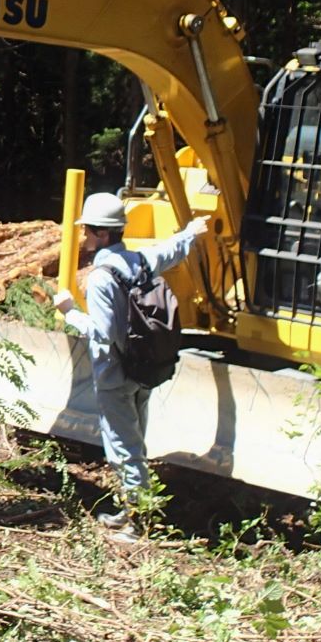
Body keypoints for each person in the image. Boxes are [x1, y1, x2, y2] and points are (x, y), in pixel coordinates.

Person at [53, 192, 209, 539]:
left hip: (114, 375)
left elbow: (104, 332)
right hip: (145, 369)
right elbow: (169, 251)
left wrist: (70, 313)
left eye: (89, 231)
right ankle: (132, 509)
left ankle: (139, 523)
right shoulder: (139, 260)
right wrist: (191, 232)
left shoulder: (100, 278)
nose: (85, 238)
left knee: (123, 448)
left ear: (104, 234)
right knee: (135, 442)